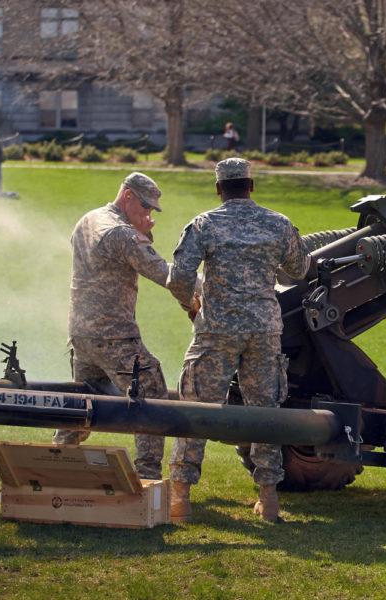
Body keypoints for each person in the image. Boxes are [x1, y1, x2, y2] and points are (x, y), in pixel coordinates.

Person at [167, 158, 309, 523]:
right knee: (265, 413)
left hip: (217, 330)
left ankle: (180, 498)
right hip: (264, 331)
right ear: (251, 186)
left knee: (195, 409)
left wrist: (193, 306)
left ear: (219, 189)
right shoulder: (278, 224)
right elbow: (299, 270)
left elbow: (179, 276)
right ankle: (269, 499)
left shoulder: (205, 224)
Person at [52, 173, 171, 480]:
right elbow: (164, 274)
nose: (147, 215)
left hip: (81, 333)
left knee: (85, 400)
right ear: (127, 196)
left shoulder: (88, 219)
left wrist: (142, 231)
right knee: (151, 391)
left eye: (151, 211)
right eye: (144, 207)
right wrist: (208, 289)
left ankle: (56, 462)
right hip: (114, 334)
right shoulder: (121, 233)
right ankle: (148, 477)